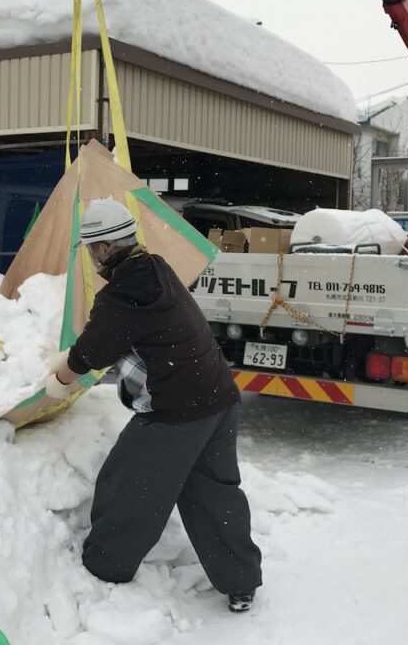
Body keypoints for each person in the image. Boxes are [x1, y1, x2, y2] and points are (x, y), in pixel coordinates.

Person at [43, 197, 262, 613]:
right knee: (214, 493)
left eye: (92, 250)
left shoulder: (122, 294)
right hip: (218, 397)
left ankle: (105, 565)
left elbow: (91, 353)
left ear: (106, 248)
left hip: (178, 410)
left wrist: (57, 381)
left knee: (127, 483)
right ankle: (240, 581)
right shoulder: (156, 268)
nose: (91, 259)